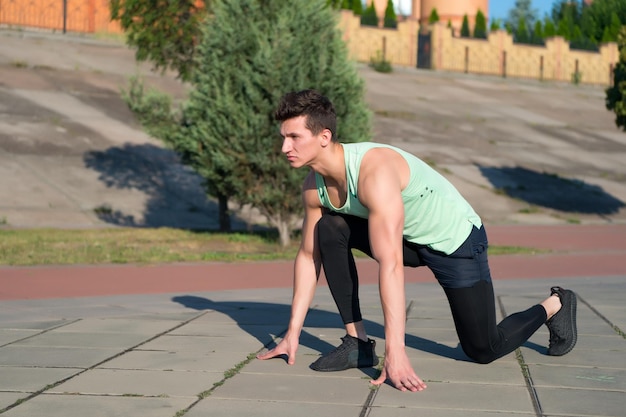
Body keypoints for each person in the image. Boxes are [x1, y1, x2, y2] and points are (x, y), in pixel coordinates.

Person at [256, 89, 577, 392]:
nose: (285, 147)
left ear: (324, 137)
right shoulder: (314, 185)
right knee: (328, 228)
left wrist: (396, 352)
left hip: (455, 241)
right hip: (408, 237)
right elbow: (308, 256)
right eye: (284, 137)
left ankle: (555, 304)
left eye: (294, 137)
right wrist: (292, 332)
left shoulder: (373, 171)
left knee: (483, 349)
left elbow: (390, 264)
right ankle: (357, 343)